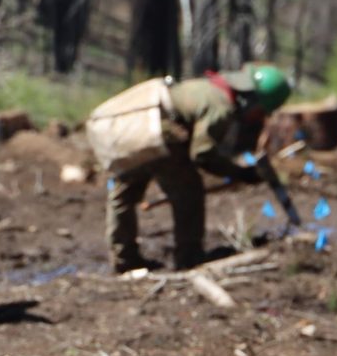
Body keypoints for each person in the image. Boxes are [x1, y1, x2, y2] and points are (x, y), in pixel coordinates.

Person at [98, 64, 291, 272]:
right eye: (261, 111)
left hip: (134, 129)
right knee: (189, 191)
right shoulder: (221, 107)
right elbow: (202, 154)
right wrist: (240, 173)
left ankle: (123, 261)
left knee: (124, 194)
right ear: (253, 101)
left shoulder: (210, 86)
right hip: (160, 132)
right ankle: (188, 258)